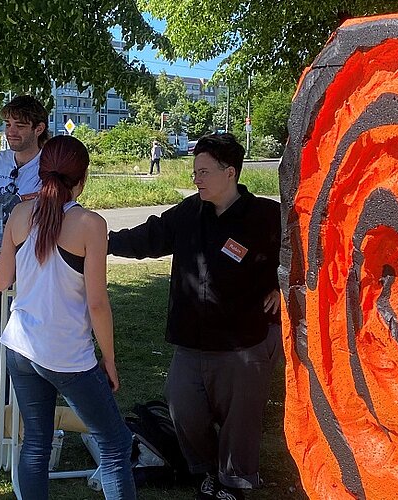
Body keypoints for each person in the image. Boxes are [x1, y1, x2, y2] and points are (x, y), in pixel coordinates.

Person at [107, 133, 281, 500]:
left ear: (230, 172)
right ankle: (206, 469)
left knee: (241, 420)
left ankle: (233, 483)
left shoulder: (265, 216)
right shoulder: (190, 212)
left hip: (243, 341)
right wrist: (101, 242)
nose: (196, 179)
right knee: (183, 408)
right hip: (191, 338)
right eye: (195, 171)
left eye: (204, 171)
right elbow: (149, 237)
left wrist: (282, 285)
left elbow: (299, 252)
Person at [0, 136, 136, 500]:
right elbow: (97, 302)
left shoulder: (21, 214)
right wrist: (110, 359)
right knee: (115, 444)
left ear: (41, 173)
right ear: (82, 178)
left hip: (20, 346)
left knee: (36, 442)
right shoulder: (90, 223)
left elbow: (0, 281)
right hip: (66, 352)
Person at [0, 95, 50, 367]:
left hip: (30, 261)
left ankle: (28, 403)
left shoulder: (50, 166)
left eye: (20, 125)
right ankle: (5, 400)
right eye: (7, 124)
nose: (11, 131)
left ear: (39, 129)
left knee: (28, 338)